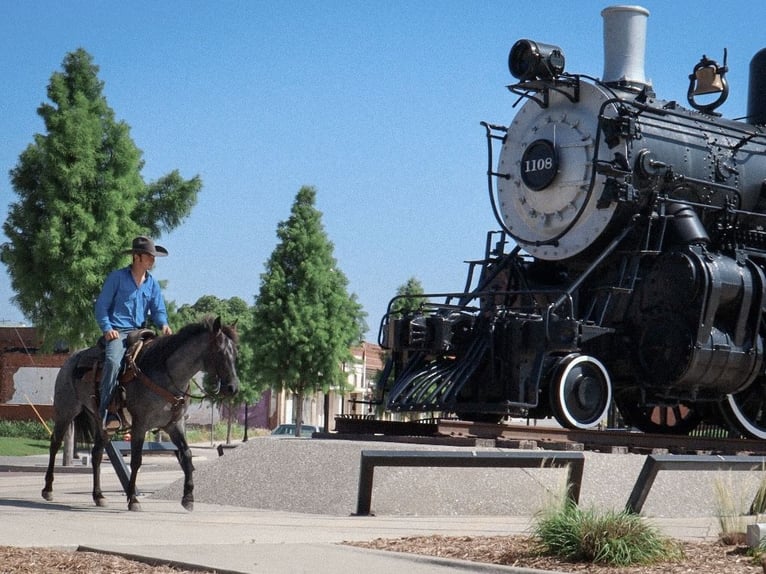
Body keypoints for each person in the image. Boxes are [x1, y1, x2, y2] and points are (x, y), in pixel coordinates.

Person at [94, 236, 173, 432]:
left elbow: (158, 310)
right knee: (113, 362)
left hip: (141, 332)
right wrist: (107, 328)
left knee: (161, 360)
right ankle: (106, 411)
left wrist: (163, 324)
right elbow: (101, 307)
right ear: (137, 257)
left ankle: (158, 410)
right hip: (118, 333)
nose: (153, 260)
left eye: (154, 257)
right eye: (149, 256)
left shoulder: (152, 284)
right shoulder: (117, 278)